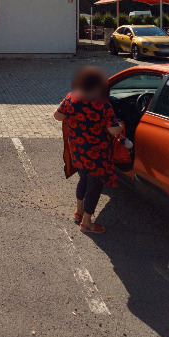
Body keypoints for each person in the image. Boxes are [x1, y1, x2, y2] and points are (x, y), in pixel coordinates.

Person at [54, 66, 126, 233]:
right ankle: (87, 222)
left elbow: (57, 116)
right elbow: (113, 130)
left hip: (77, 149)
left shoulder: (71, 97)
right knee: (94, 185)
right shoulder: (103, 104)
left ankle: (79, 212)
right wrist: (121, 126)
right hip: (97, 152)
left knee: (83, 178)